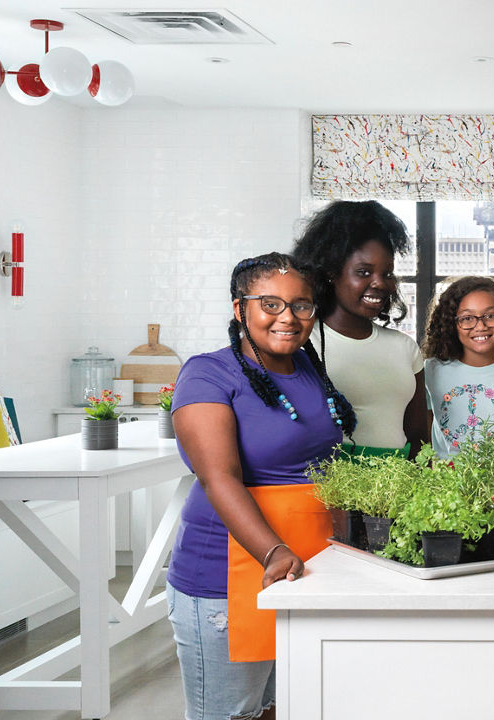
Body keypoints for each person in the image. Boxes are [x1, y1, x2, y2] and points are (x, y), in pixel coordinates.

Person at [168, 252, 355, 720]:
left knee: (283, 709)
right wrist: (272, 551)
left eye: (301, 305)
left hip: (305, 568)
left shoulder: (308, 369)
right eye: (270, 304)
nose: (288, 317)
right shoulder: (208, 373)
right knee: (232, 714)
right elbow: (217, 477)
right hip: (230, 573)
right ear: (239, 309)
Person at [290, 200, 427, 456]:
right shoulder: (303, 344)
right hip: (328, 482)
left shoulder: (405, 347)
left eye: (387, 274)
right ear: (331, 273)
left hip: (398, 486)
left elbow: (419, 438)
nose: (380, 284)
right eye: (364, 272)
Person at [420, 277, 494, 482]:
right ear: (451, 324)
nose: (480, 326)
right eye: (467, 318)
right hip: (445, 487)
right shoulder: (431, 370)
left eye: (490, 315)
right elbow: (424, 442)